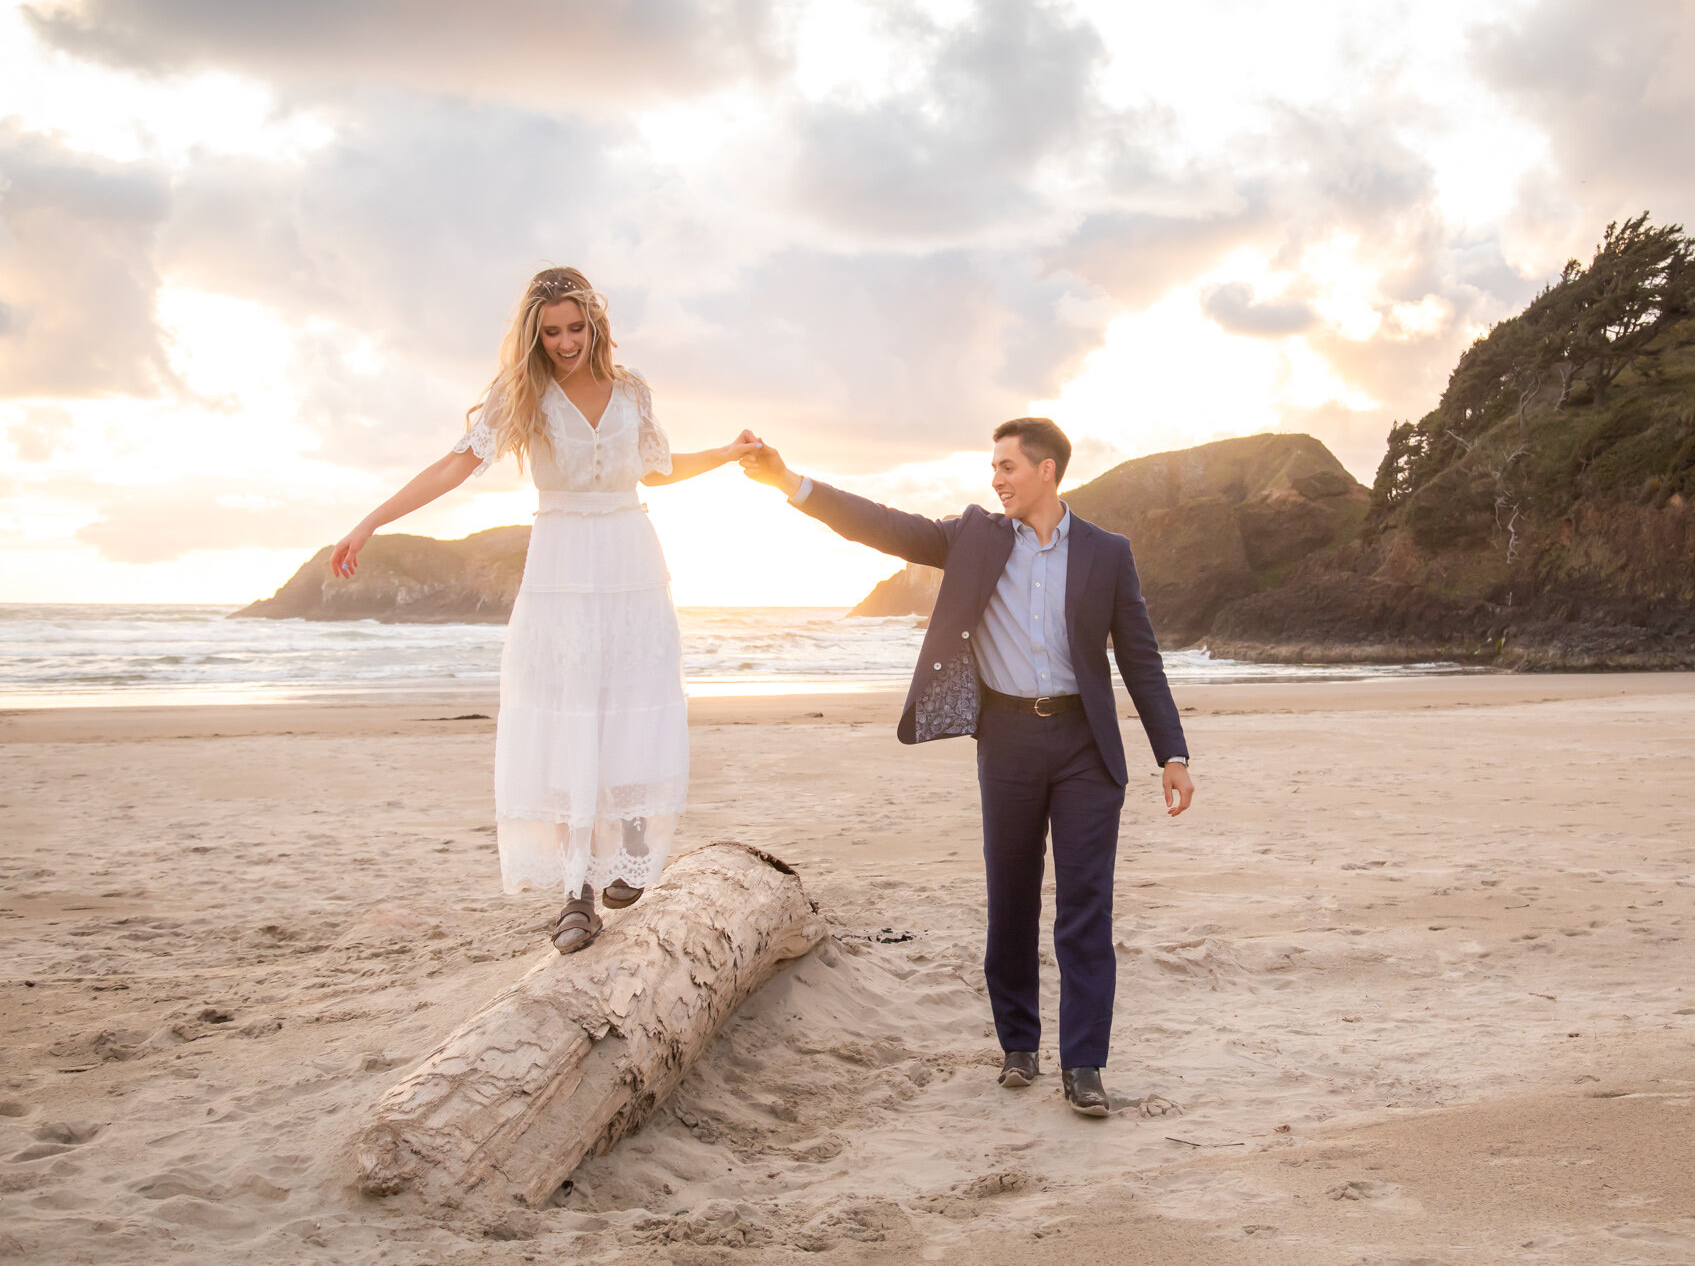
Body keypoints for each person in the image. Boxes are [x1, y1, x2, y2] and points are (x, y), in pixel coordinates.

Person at [739, 417, 1193, 1117]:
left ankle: (1085, 1064)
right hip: (1007, 737)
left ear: (1047, 471)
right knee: (1011, 897)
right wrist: (789, 481)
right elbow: (882, 525)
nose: (996, 479)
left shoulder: (1107, 553)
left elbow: (1139, 656)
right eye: (993, 467)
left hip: (1084, 746)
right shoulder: (975, 536)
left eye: (1008, 466)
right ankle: (1019, 1044)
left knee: (1085, 906)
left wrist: (1173, 751)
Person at [328, 267, 758, 953]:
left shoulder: (632, 390)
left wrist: (732, 452)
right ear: (535, 333)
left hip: (631, 562)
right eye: (551, 331)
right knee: (566, 719)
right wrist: (368, 523)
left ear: (596, 325)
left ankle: (635, 840)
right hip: (560, 566)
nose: (564, 342)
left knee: (632, 700)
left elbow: (659, 467)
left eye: (575, 328)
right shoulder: (522, 395)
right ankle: (576, 893)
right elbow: (452, 465)